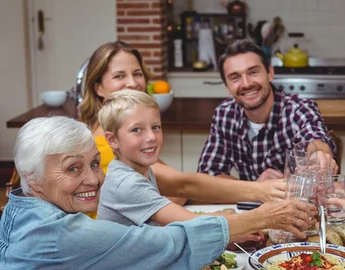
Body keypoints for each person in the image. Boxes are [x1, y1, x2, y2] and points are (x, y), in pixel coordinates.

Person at [0, 116, 312, 270]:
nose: (93, 180)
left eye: (95, 164)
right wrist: (262, 218)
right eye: (73, 168)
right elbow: (165, 243)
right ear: (33, 177)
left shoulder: (25, 209)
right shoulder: (57, 234)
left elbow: (98, 269)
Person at [77, 40, 285, 206]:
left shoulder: (124, 136)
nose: (132, 83)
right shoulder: (103, 143)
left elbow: (175, 191)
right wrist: (260, 191)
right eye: (119, 76)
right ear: (98, 88)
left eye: (137, 73)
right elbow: (183, 186)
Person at [97, 89, 264, 247]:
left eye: (156, 127)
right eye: (137, 130)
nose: (151, 137)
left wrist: (227, 236)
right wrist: (261, 218)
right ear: (112, 140)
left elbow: (159, 228)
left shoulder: (140, 169)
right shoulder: (126, 183)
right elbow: (192, 222)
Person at [197, 39, 338, 182]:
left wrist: (318, 155)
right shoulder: (225, 115)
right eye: (235, 78)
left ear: (270, 73)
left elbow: (316, 141)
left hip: (295, 202)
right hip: (250, 203)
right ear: (227, 87)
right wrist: (256, 189)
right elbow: (208, 175)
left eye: (253, 72)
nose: (246, 84)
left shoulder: (298, 110)